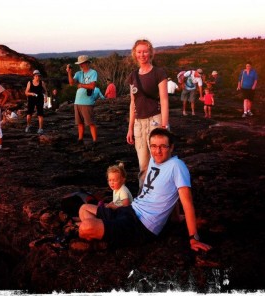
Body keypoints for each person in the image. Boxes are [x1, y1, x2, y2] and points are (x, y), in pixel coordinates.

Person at [78, 128, 212, 251]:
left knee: (86, 227)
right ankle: (106, 234)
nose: (157, 151)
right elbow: (169, 191)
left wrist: (194, 239)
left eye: (163, 146)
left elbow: (187, 203)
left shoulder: (177, 166)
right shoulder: (154, 160)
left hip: (141, 226)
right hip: (130, 211)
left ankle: (99, 235)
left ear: (171, 147)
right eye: (153, 146)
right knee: (84, 209)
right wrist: (176, 218)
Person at [126, 39, 170, 190]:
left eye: (145, 51)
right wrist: (130, 128)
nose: (142, 54)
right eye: (139, 52)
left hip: (155, 121)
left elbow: (164, 100)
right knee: (143, 164)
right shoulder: (133, 76)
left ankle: (161, 195)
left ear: (150, 52)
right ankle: (143, 198)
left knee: (159, 161)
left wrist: (165, 125)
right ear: (135, 54)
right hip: (139, 123)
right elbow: (133, 103)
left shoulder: (159, 73)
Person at [66, 55, 98, 148]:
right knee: (79, 122)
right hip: (78, 101)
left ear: (87, 63)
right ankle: (80, 139)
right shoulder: (78, 73)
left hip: (87, 102)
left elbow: (92, 86)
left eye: (82, 63)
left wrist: (81, 85)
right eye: (80, 63)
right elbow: (71, 83)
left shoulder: (93, 73)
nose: (81, 65)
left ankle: (95, 141)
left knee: (90, 122)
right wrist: (69, 73)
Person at [25, 70, 48, 134]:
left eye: (38, 76)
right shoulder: (30, 83)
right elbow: (26, 92)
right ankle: (28, 126)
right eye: (36, 76)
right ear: (34, 76)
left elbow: (45, 91)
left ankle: (40, 128)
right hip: (31, 99)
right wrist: (31, 94)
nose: (37, 77)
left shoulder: (42, 83)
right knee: (29, 113)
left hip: (39, 99)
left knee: (40, 114)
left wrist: (46, 97)